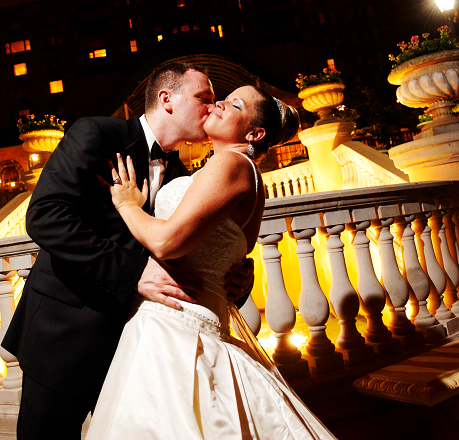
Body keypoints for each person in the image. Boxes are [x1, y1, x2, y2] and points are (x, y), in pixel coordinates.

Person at [1, 62, 255, 439]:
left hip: (137, 343)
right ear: (167, 99)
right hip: (64, 330)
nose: (212, 107)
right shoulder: (96, 133)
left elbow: (190, 246)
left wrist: (234, 278)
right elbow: (45, 217)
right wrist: (134, 272)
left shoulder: (183, 175)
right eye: (205, 97)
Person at [86, 85, 337, 439]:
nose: (218, 103)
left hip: (176, 325)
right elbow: (230, 251)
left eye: (233, 104)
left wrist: (126, 204)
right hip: (189, 319)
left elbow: (166, 241)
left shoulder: (232, 162)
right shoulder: (240, 171)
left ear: (254, 134)